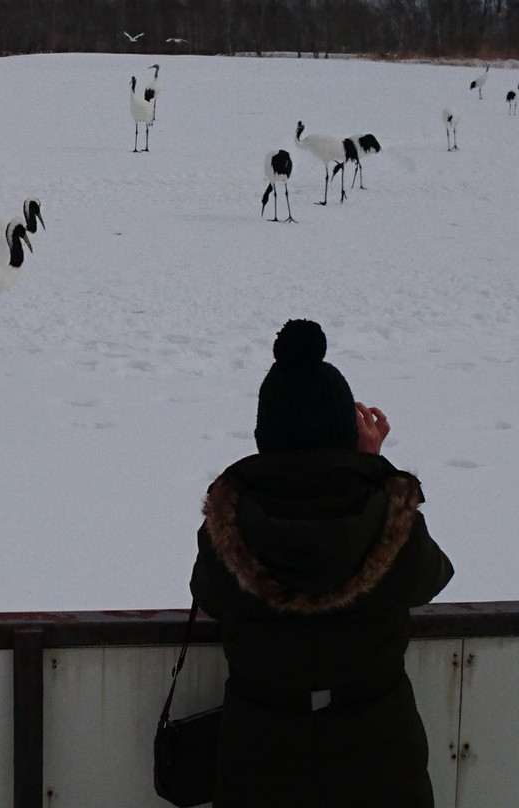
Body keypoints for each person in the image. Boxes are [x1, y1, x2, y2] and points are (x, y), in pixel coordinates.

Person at [190, 320, 453, 808]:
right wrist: (374, 468)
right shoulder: (390, 517)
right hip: (380, 765)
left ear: (264, 433)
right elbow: (431, 578)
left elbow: (209, 596)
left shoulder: (228, 522)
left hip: (261, 763)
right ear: (346, 432)